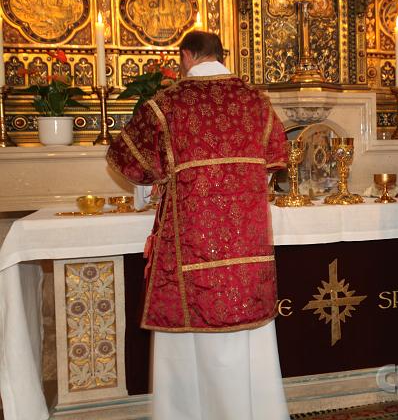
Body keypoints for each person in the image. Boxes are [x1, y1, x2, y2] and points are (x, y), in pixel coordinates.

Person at [106, 31, 290, 420]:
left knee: (189, 330)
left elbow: (127, 158)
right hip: (246, 240)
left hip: (191, 238)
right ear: (221, 55)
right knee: (247, 329)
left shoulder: (167, 104)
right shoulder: (255, 100)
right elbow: (277, 155)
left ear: (187, 56)